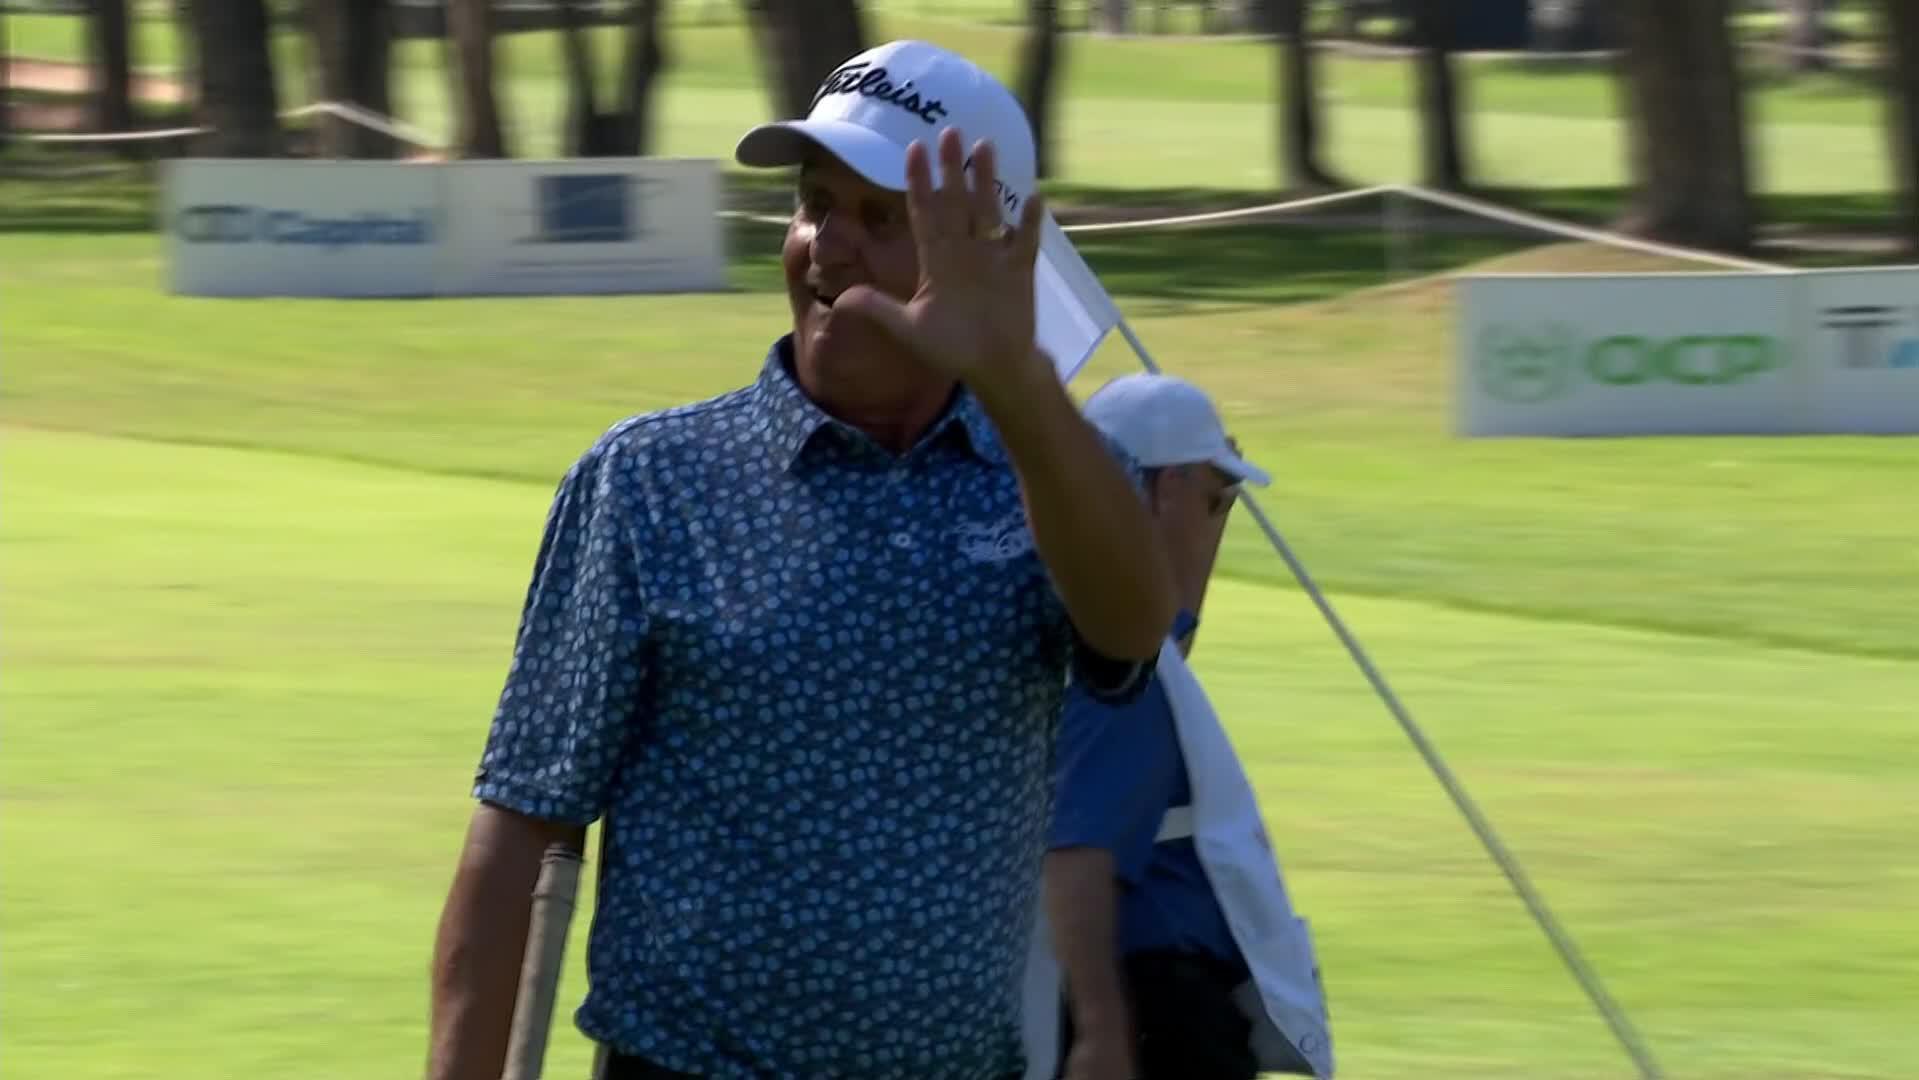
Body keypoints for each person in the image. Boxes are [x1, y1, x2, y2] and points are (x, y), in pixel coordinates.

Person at [424, 38, 1179, 1080]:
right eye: (816, 203)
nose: (829, 248)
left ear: (990, 254)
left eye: (884, 219)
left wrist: (1016, 378)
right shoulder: (651, 479)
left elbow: (1133, 624)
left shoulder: (1051, 471)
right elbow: (520, 827)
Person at [1036, 373, 1330, 1080]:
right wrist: (1102, 1032)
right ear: (1162, 494)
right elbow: (1076, 853)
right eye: (1217, 501)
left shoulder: (1122, 636)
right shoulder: (1119, 658)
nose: (1219, 527)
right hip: (1155, 1013)